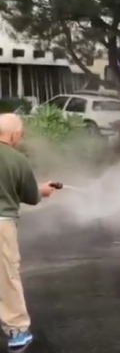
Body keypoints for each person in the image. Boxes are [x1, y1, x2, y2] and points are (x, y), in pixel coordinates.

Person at [0, 114, 58, 348]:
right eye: (20, 134)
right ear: (14, 135)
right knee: (6, 278)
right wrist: (43, 190)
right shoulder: (16, 159)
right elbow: (32, 197)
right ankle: (17, 331)